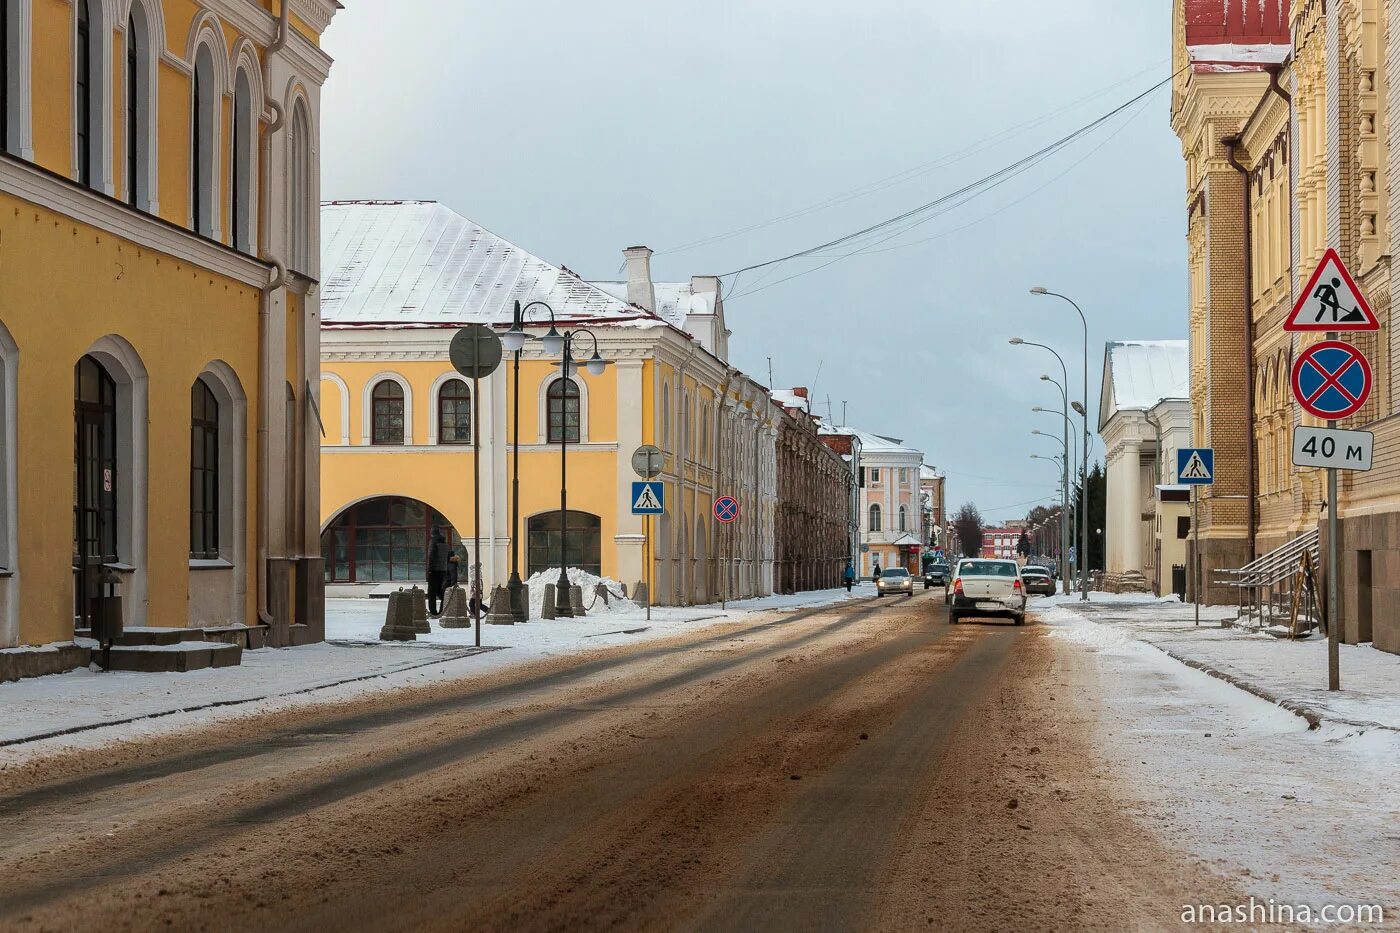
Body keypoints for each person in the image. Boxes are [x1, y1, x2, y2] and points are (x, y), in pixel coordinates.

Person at [426, 529, 450, 616]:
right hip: (443, 570)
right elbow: (447, 558)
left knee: (432, 593)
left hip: (434, 570)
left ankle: (433, 612)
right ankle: (442, 609)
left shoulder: (433, 542)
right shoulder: (445, 544)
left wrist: (429, 570)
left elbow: (431, 557)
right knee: (440, 591)